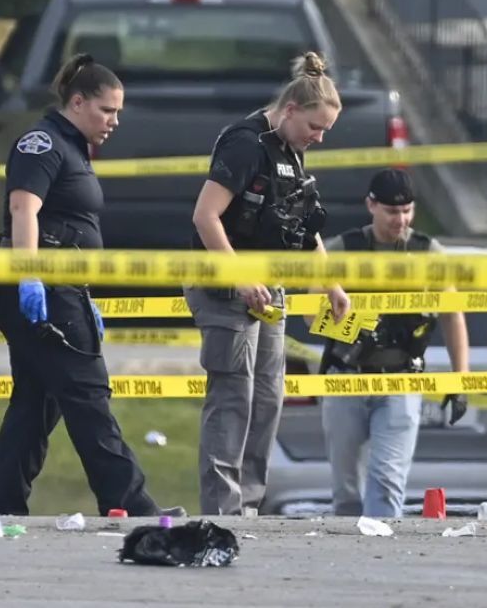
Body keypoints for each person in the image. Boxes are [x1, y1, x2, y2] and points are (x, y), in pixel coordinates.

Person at [0, 53, 174, 518]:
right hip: (46, 285)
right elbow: (24, 209)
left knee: (37, 403)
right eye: (108, 110)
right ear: (78, 102)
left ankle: (1, 505)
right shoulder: (43, 143)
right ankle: (129, 502)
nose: (115, 121)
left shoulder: (73, 145)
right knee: (88, 394)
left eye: (118, 112)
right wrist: (29, 277)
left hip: (64, 288)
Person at [186, 52, 352, 516]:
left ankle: (250, 506)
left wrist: (330, 285)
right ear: (291, 110)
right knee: (233, 396)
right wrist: (239, 278)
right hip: (224, 285)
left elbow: (303, 228)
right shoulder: (246, 143)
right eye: (314, 128)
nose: (317, 139)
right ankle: (222, 511)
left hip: (269, 289)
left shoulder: (291, 151)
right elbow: (205, 216)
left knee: (267, 398)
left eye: (325, 132)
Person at [319, 168, 470, 518]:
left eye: (407, 211)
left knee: (387, 481)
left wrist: (460, 379)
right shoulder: (344, 249)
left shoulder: (429, 253)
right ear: (370, 205)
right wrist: (354, 326)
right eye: (391, 211)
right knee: (345, 488)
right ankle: (343, 559)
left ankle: (380, 556)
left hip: (402, 378)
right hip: (347, 376)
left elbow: (452, 316)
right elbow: (310, 313)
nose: (400, 220)